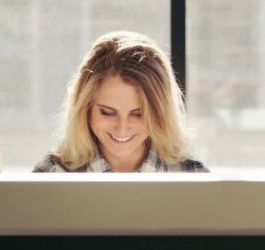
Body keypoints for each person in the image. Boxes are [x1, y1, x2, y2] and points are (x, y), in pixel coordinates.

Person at [33, 31, 207, 173]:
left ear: (160, 113)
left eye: (138, 114)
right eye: (107, 112)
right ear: (86, 108)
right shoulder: (51, 174)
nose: (122, 128)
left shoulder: (193, 177)